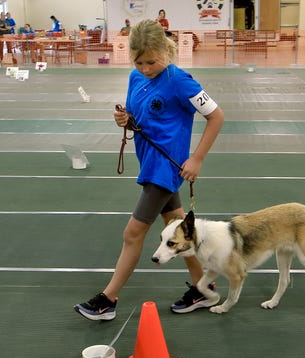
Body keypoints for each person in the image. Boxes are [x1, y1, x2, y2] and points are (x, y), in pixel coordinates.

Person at [73, 19, 225, 321]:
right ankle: (203, 290)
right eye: (139, 61)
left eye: (151, 61)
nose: (145, 68)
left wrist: (197, 158)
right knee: (178, 226)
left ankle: (108, 299)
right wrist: (124, 119)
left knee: (133, 233)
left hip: (165, 169)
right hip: (149, 161)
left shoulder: (180, 81)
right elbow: (137, 116)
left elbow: (216, 116)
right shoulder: (135, 77)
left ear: (166, 51)